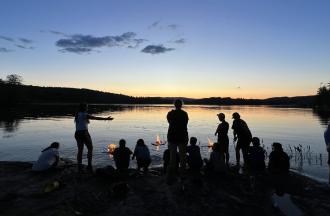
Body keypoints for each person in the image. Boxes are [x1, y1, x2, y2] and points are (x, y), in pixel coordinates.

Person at [74, 103, 113, 172]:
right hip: (84, 133)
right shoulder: (84, 115)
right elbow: (96, 118)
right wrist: (106, 118)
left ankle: (79, 166)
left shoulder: (77, 114)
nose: (87, 108)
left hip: (77, 133)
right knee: (90, 148)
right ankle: (89, 165)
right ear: (84, 108)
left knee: (80, 150)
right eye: (86, 107)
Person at [166, 99, 189, 184]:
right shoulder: (184, 114)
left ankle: (171, 175)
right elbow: (185, 123)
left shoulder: (170, 113)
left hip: (172, 137)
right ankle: (182, 174)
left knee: (172, 157)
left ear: (174, 105)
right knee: (183, 157)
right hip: (183, 137)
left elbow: (169, 122)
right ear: (181, 105)